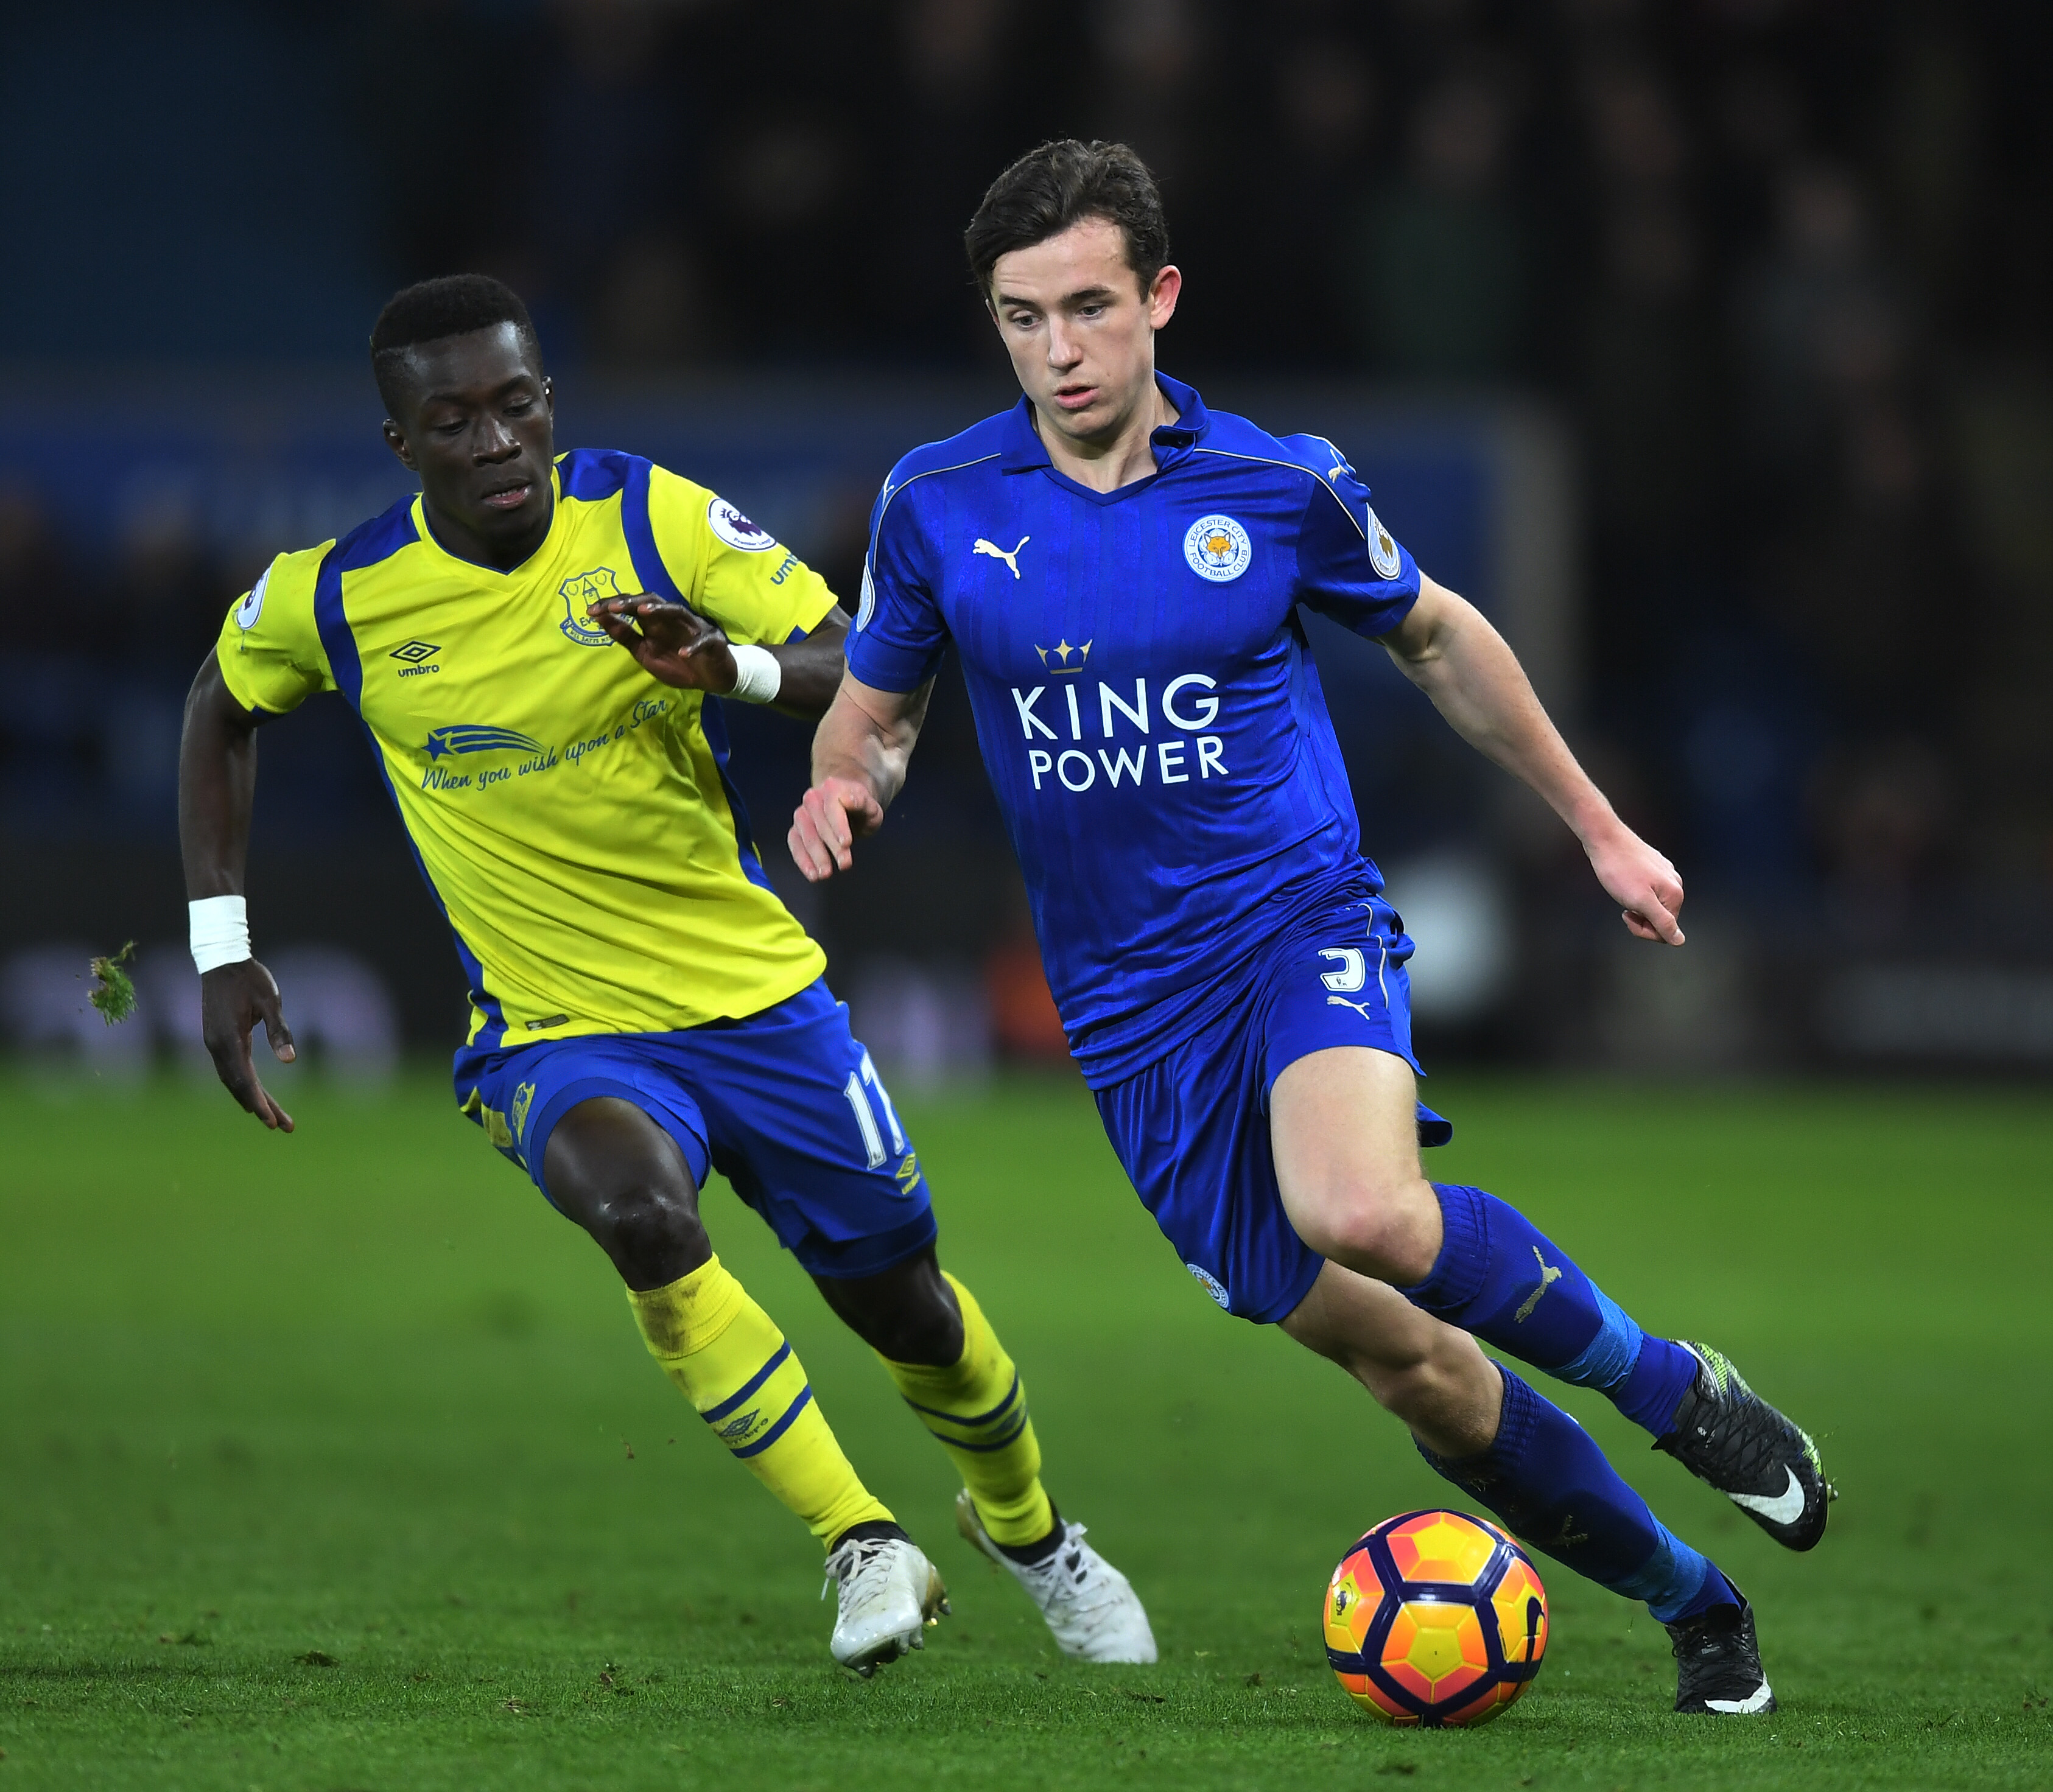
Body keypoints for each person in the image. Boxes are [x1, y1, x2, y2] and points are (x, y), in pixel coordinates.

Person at [783, 141, 1833, 1715]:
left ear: (1159, 298)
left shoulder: (1274, 486)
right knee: (1412, 1361)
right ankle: (1695, 1605)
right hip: (1132, 1019)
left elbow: (1438, 639)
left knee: (1361, 1206)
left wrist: (1599, 828)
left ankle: (1680, 1393)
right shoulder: (937, 505)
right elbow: (874, 714)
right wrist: (839, 787)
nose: (1056, 351)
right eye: (1019, 319)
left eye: (1084, 308)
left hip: (1294, 920)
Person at [175, 274, 1154, 1675]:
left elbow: (867, 658)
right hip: (557, 1030)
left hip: (757, 1001)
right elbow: (219, 702)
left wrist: (729, 666)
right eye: (454, 422)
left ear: (549, 401)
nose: (498, 441)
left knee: (910, 1307)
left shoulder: (649, 516)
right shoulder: (341, 595)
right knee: (637, 1211)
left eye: (519, 405)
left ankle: (1031, 1526)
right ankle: (861, 1539)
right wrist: (222, 944)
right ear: (402, 445)